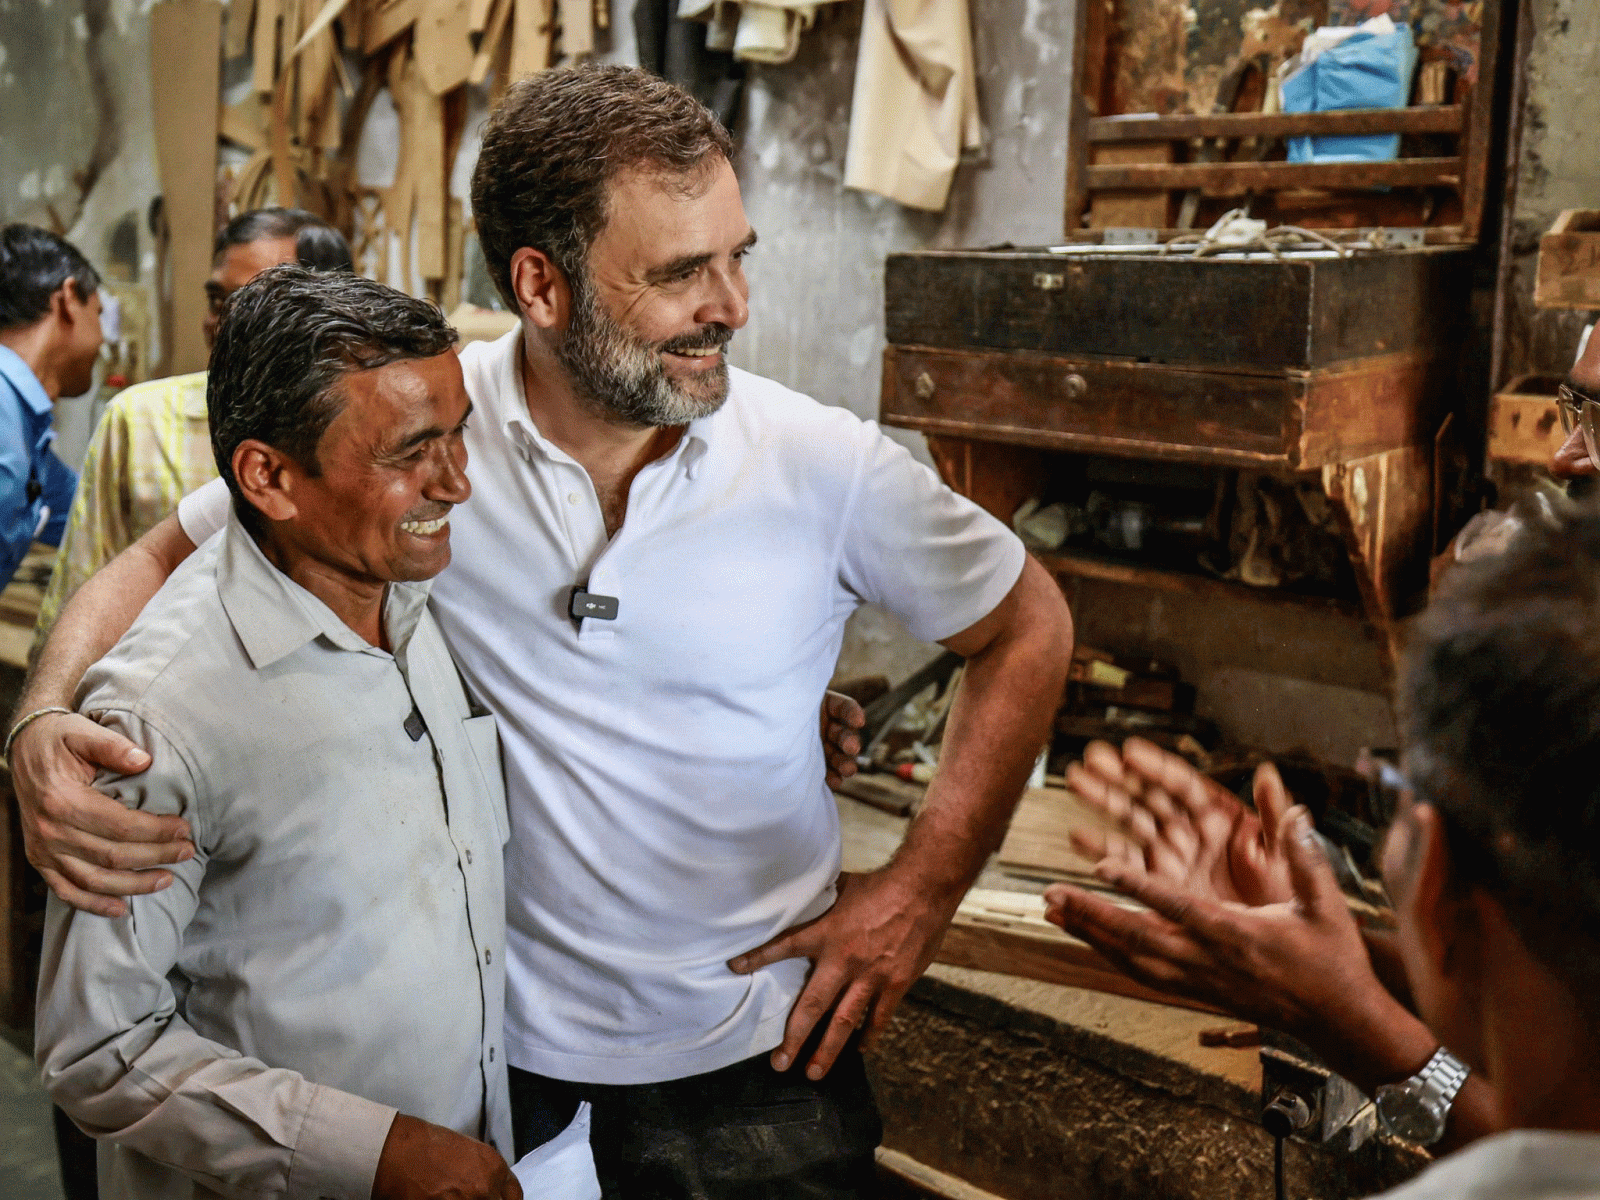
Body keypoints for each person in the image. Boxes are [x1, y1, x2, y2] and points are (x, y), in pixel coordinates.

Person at [12, 66, 1074, 1198]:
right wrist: (41, 718)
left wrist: (920, 887)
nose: (732, 305)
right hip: (497, 1069)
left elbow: (1028, 625)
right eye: (679, 274)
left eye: (736, 257)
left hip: (761, 1063)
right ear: (542, 286)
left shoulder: (820, 465)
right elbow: (158, 555)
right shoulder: (423, 434)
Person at [35, 265, 520, 1200]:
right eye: (413, 452)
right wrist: (370, 1151)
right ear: (268, 477)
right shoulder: (161, 717)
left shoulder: (408, 601)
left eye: (458, 438)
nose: (457, 483)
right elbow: (96, 1046)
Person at [33, 207, 352, 647]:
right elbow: (76, 600)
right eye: (217, 301)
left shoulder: (361, 438)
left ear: (329, 312)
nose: (223, 322)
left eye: (253, 303)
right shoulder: (141, 422)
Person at [0, 224, 101, 590]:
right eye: (99, 314)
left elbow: (89, 517)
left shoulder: (27, 427)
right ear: (69, 298)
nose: (102, 339)